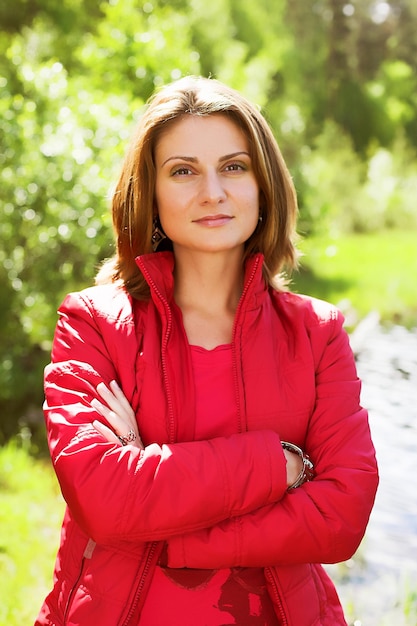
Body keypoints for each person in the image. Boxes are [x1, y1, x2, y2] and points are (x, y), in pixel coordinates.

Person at [36, 75, 378, 626]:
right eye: (183, 171)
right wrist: (280, 464)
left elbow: (342, 515)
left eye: (234, 167)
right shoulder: (93, 324)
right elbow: (103, 498)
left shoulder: (318, 333)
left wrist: (153, 489)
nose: (213, 192)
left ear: (264, 185)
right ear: (149, 193)